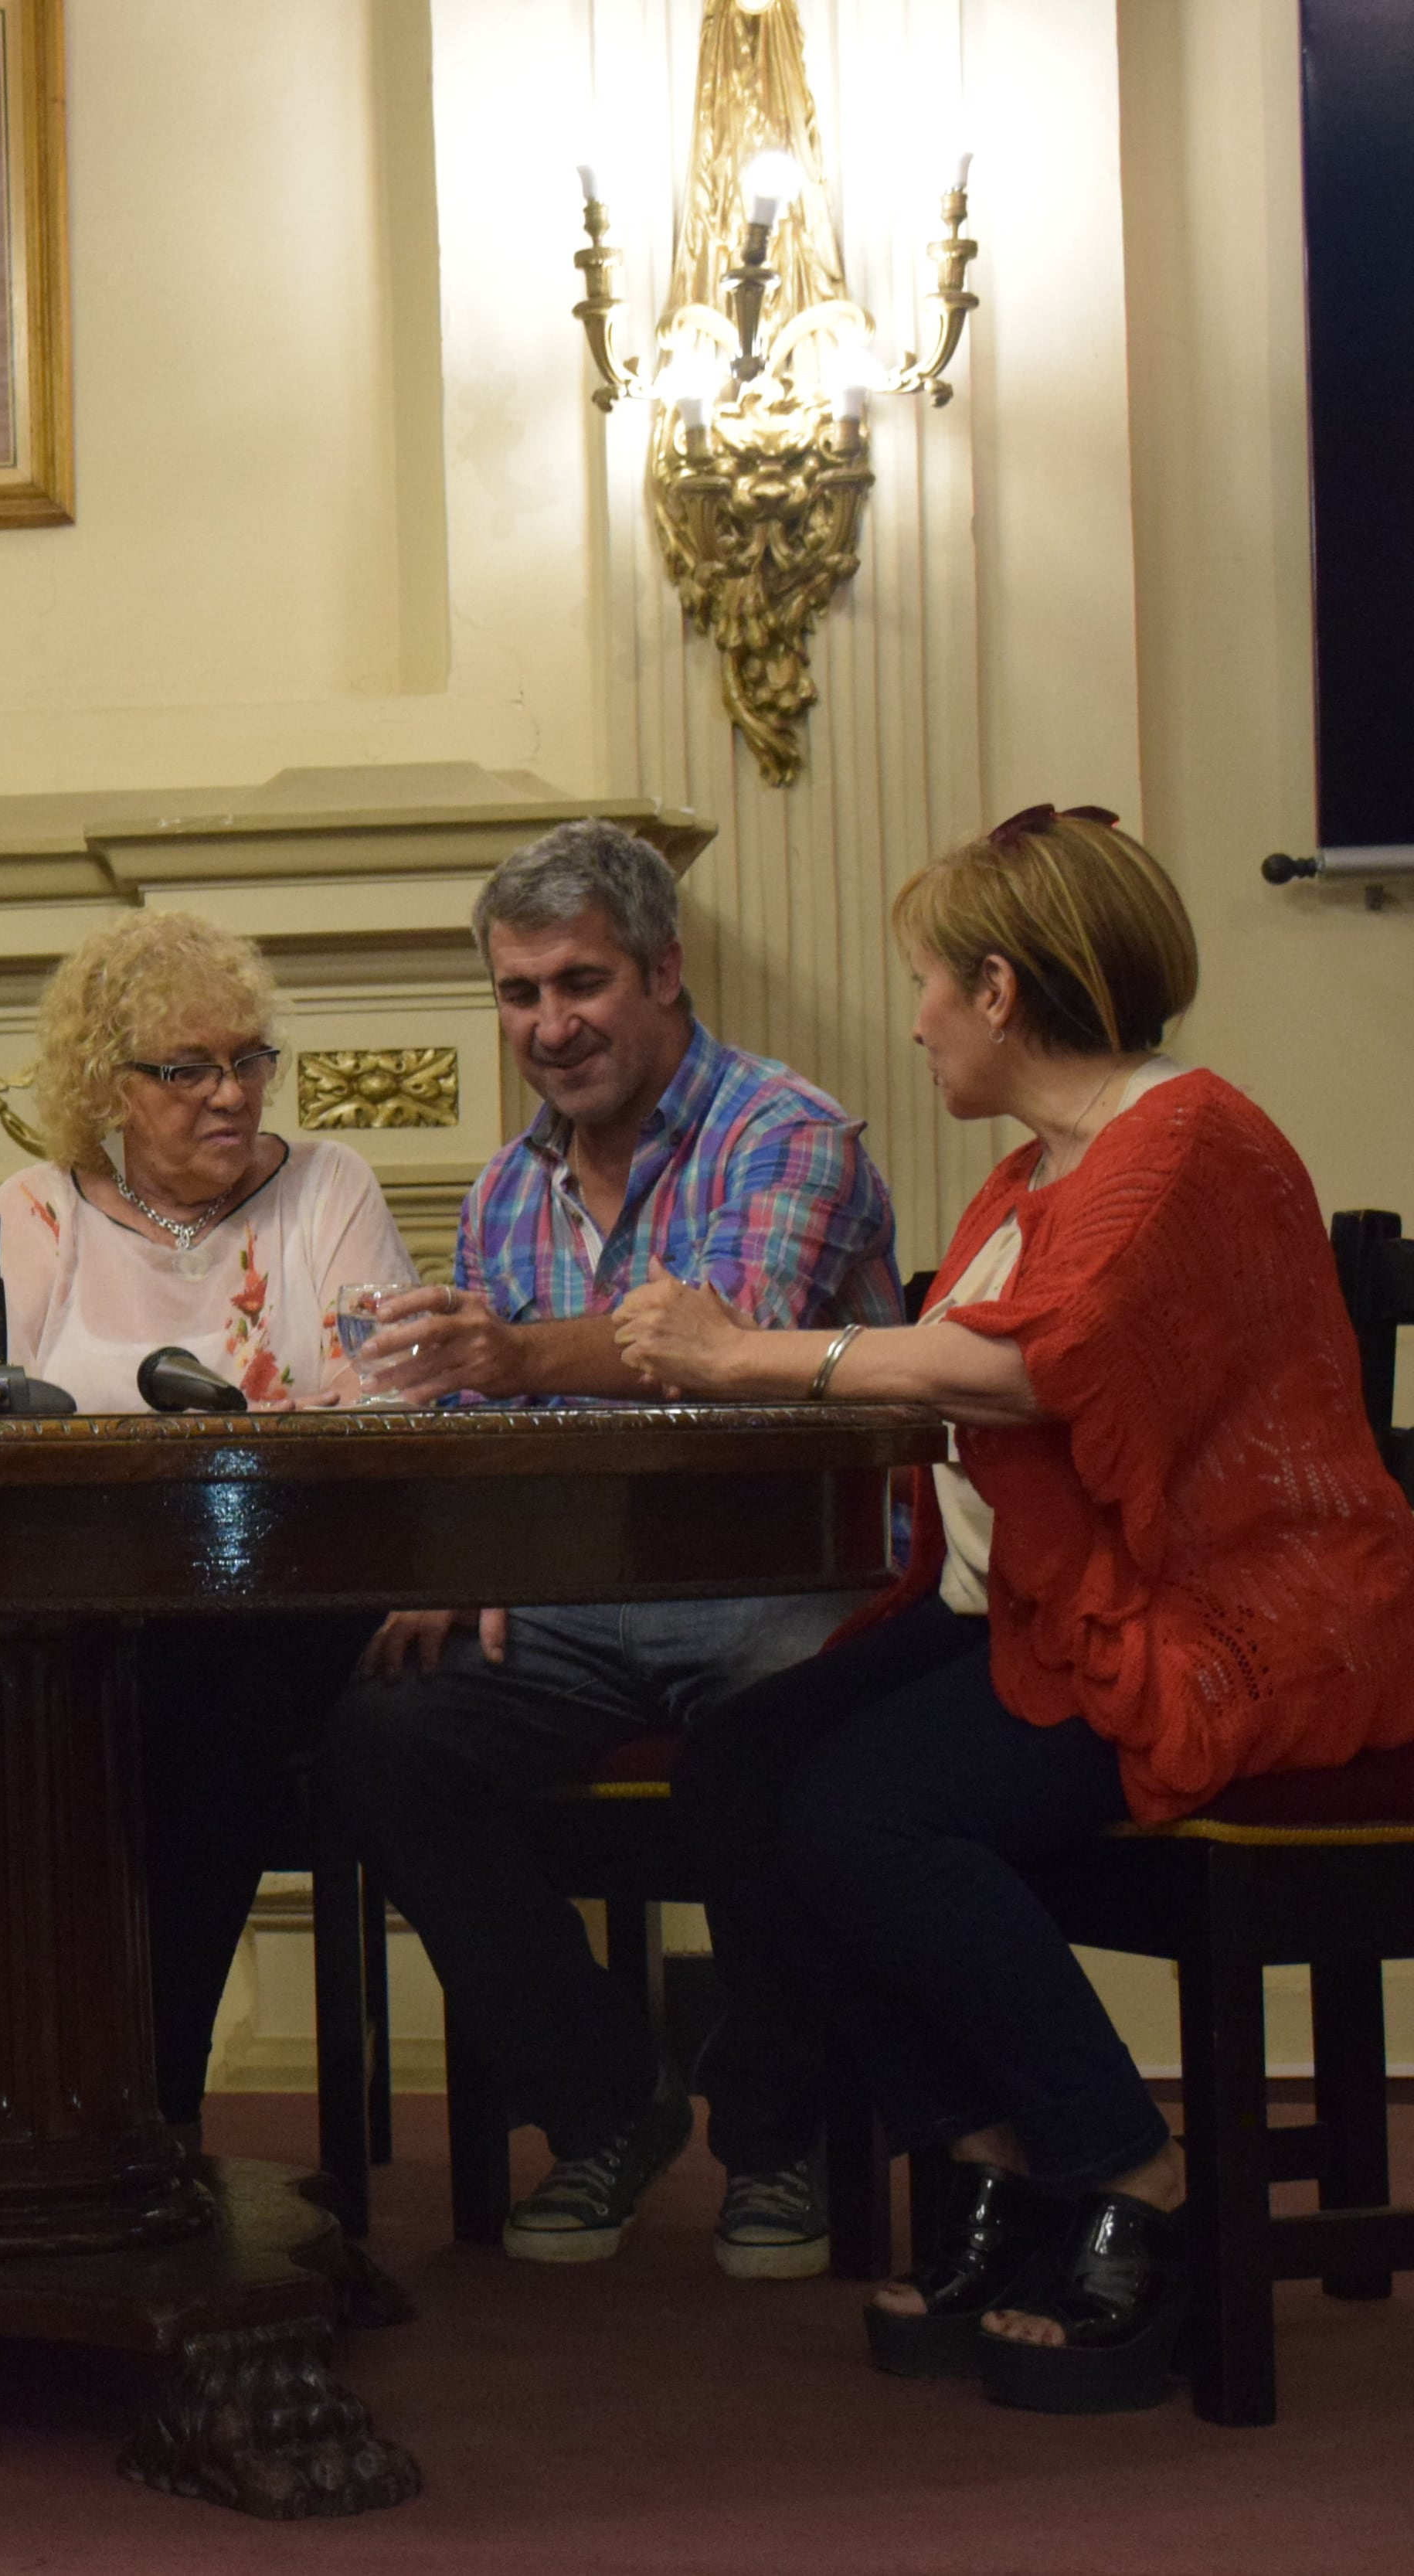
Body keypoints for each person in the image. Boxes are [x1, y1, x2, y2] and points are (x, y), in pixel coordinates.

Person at [620, 805, 1414, 2411]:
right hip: (1041, 1611)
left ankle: (1130, 2166)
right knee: (743, 1766)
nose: (910, 1017)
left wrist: (743, 1355)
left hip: (1217, 1623)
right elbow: (957, 1388)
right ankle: (975, 2145)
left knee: (866, 1815)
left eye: (923, 981)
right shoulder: (1020, 1179)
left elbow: (1027, 1364)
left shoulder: (1186, 1139)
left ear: (996, 984)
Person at [317, 815, 901, 2275]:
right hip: (585, 1595)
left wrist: (514, 1358)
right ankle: (605, 2104)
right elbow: (485, 1418)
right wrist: (465, 1555)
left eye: (579, 983)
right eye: (518, 994)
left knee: (764, 1743)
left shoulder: (788, 1130)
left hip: (788, 1578)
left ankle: (781, 2140)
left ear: (663, 970)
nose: (549, 1025)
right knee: (380, 1730)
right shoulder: (511, 1184)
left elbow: (729, 1346)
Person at [0, 907, 415, 2142]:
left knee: (209, 1690)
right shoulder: (36, 1214)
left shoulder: (326, 1190)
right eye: (186, 1069)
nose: (231, 1094)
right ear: (107, 1085)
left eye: (248, 1059)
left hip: (290, 1601)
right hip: (78, 1621)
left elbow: (390, 1407)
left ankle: (143, 2109)